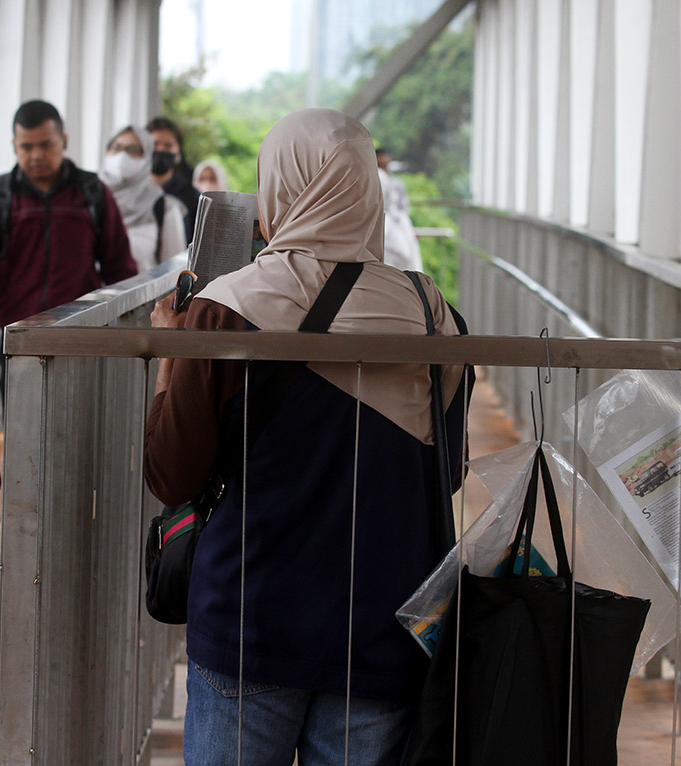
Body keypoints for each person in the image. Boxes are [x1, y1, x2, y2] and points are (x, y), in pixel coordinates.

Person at [144, 108, 471, 765]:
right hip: (386, 624)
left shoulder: (225, 308)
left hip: (250, 616)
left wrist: (168, 352)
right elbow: (449, 470)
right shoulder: (433, 312)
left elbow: (171, 473)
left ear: (279, 189)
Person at [0, 100, 136, 348]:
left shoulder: (92, 193)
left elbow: (118, 262)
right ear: (14, 146)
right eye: (26, 147)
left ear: (64, 141)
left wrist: (125, 314)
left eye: (46, 144)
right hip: (18, 333)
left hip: (82, 330)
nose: (36, 155)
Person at [98, 125, 187, 272]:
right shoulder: (87, 200)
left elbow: (174, 274)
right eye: (116, 147)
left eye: (132, 150)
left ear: (147, 157)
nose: (122, 156)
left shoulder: (163, 206)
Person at [146, 116, 199, 243]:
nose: (161, 150)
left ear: (178, 153)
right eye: (155, 144)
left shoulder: (192, 197)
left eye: (168, 145)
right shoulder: (131, 191)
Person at [376, 148, 423, 273]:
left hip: (396, 227)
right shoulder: (379, 177)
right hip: (387, 228)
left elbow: (403, 207)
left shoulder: (395, 183)